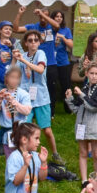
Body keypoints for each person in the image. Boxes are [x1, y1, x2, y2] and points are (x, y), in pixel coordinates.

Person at [15, 29, 61, 163]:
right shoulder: (22, 55)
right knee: (23, 127)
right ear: (26, 43)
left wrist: (23, 60)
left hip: (41, 97)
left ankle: (55, 153)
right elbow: (14, 72)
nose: (33, 43)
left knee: (46, 130)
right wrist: (15, 58)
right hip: (26, 98)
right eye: (30, 41)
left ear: (39, 42)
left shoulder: (41, 53)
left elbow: (40, 70)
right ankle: (23, 156)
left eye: (36, 40)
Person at [67, 63, 97, 182]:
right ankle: (84, 180)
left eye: (96, 74)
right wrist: (69, 99)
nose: (94, 76)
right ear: (86, 74)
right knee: (83, 152)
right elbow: (76, 109)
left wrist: (81, 94)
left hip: (96, 126)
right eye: (91, 73)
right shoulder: (85, 88)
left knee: (96, 154)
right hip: (82, 125)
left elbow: (93, 106)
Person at [0, 65, 32, 157]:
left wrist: (15, 103)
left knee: (24, 157)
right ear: (6, 78)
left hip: (21, 130)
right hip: (6, 133)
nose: (14, 80)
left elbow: (27, 111)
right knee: (10, 158)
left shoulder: (23, 94)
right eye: (12, 77)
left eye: (17, 78)